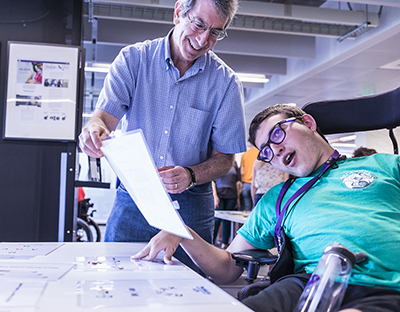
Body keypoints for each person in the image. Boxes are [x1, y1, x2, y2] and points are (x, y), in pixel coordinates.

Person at [133, 104, 400, 312]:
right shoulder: (276, 199)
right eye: (266, 151)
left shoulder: (384, 165)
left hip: (386, 286)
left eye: (277, 133)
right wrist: (182, 232)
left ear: (307, 122)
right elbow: (228, 268)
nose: (275, 149)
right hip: (306, 285)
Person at [78, 0, 246, 273]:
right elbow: (102, 119)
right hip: (134, 200)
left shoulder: (225, 83)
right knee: (118, 280)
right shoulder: (134, 60)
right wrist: (93, 131)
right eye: (199, 24)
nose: (204, 39)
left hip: (191, 206)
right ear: (179, 11)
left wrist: (190, 174)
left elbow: (225, 158)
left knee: (191, 290)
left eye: (215, 32)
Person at [212, 160, 241, 249]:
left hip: (232, 194)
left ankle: (225, 243)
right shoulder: (216, 162)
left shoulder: (234, 163)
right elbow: (212, 181)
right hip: (219, 194)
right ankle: (211, 242)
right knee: (217, 219)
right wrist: (215, 196)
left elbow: (238, 182)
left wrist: (238, 197)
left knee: (227, 220)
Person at [240, 143, 258, 210]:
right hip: (256, 184)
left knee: (247, 208)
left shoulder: (245, 154)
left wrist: (242, 183)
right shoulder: (259, 153)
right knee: (256, 207)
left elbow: (242, 172)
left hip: (246, 184)